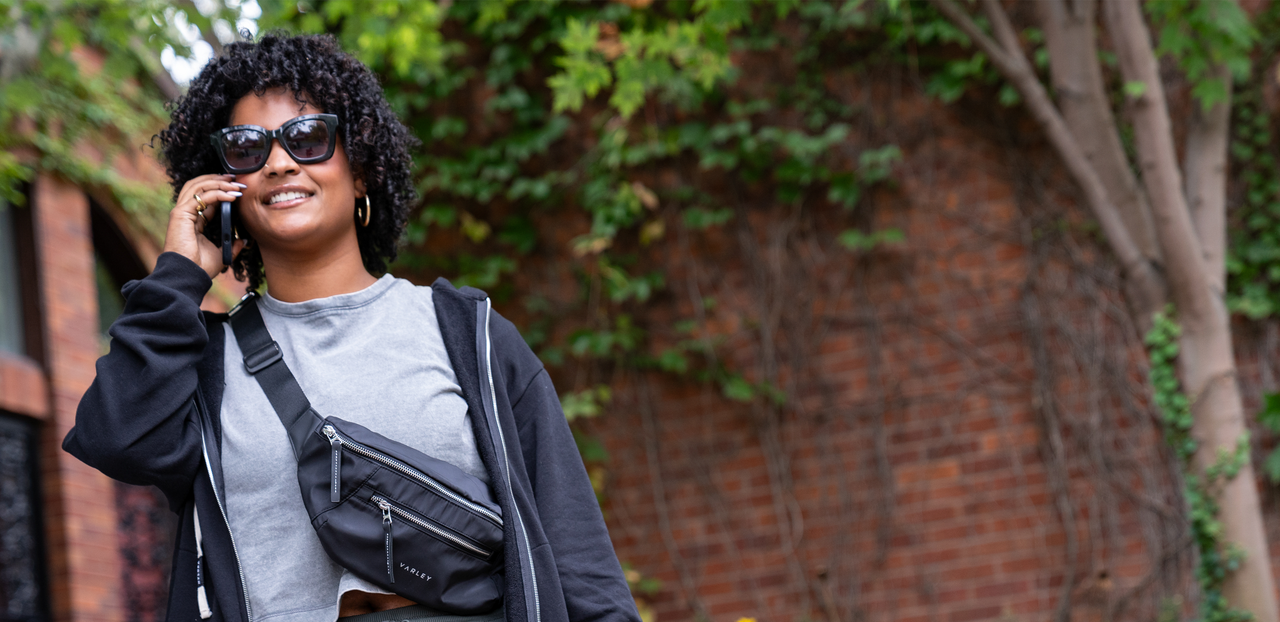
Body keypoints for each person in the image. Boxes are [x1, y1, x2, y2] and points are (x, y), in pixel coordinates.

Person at [63, 32, 638, 622]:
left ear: (361, 171)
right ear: (225, 189)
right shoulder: (206, 364)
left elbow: (582, 569)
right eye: (246, 148)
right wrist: (178, 278)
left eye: (308, 138)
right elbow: (116, 437)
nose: (280, 162)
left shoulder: (468, 335)